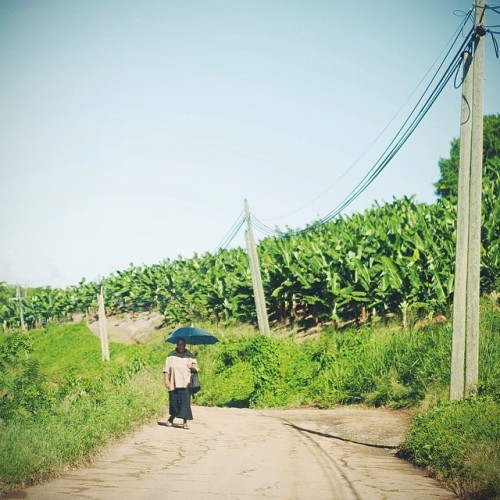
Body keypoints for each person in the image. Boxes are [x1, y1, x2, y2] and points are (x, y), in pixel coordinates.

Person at [163, 338, 198, 429]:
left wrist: (192, 367)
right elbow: (166, 370)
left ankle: (185, 422)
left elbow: (196, 369)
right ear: (176, 345)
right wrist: (166, 380)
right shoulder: (171, 355)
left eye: (182, 344)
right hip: (173, 382)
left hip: (186, 382)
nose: (180, 346)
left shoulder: (190, 356)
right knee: (174, 402)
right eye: (179, 344)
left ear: (185, 345)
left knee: (185, 403)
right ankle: (171, 418)